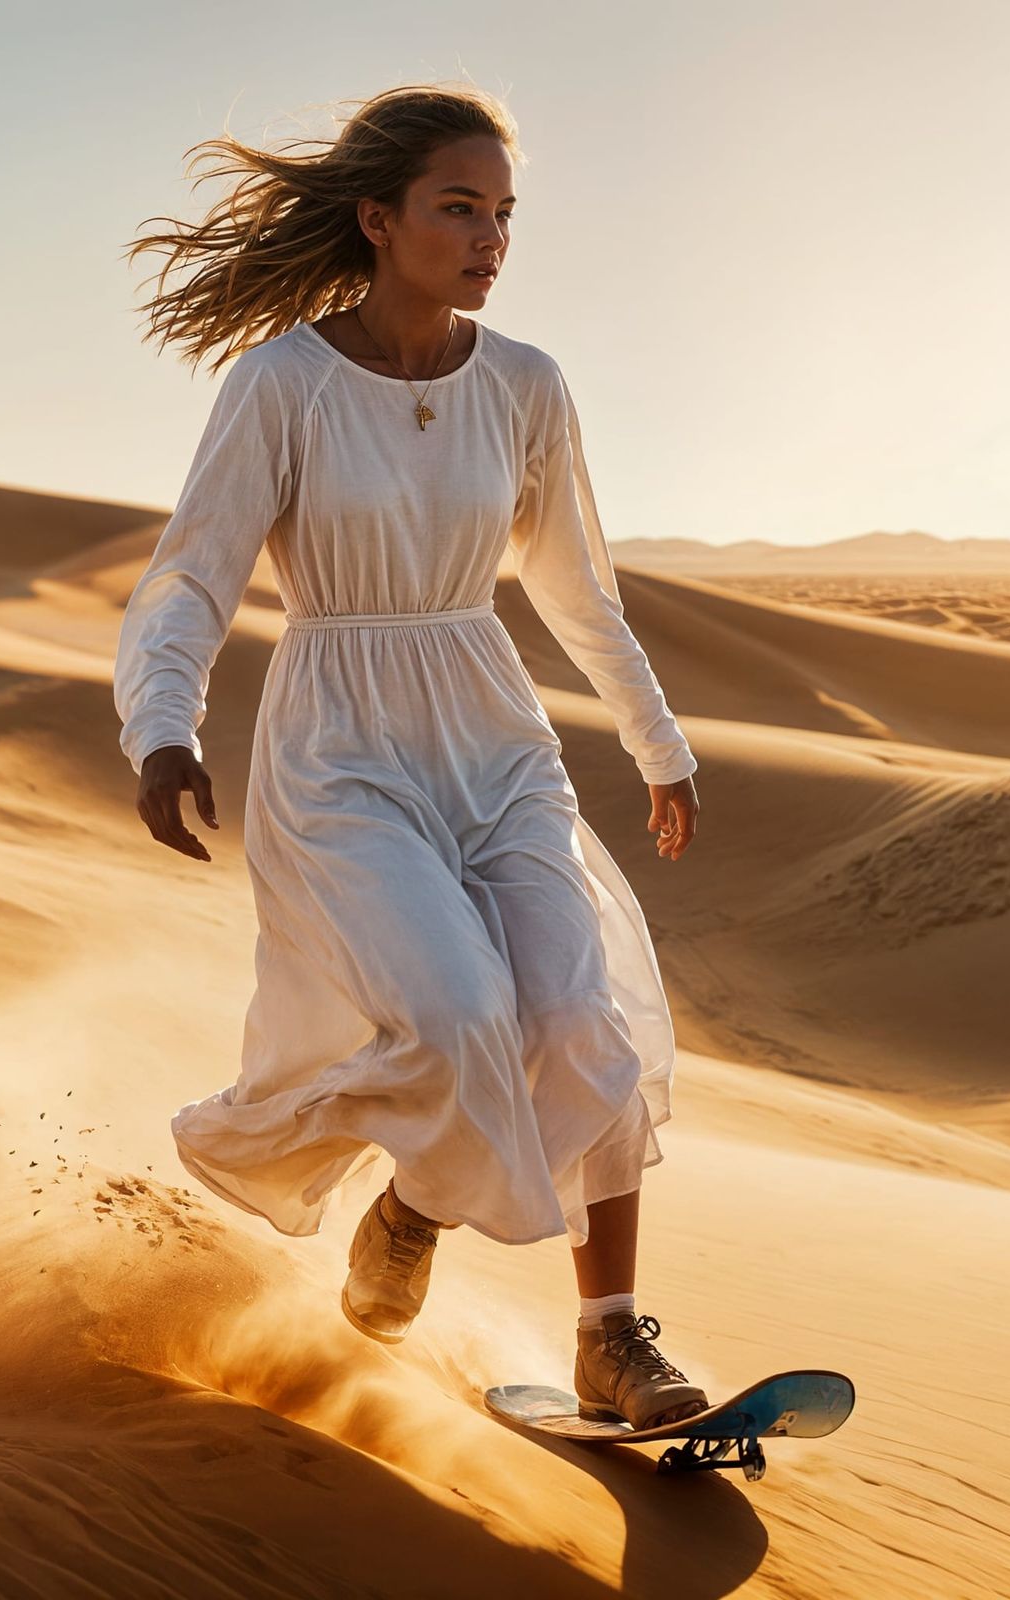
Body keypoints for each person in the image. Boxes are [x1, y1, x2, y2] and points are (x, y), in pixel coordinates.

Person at [114, 83, 709, 1429]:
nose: (490, 236)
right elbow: (191, 579)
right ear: (379, 220)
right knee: (448, 1016)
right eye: (459, 207)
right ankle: (415, 1196)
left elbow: (576, 588)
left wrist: (657, 744)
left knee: (575, 1017)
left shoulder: (527, 385)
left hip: (493, 734)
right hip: (340, 748)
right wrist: (161, 727)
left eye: (503, 213)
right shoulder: (278, 385)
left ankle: (610, 1338)